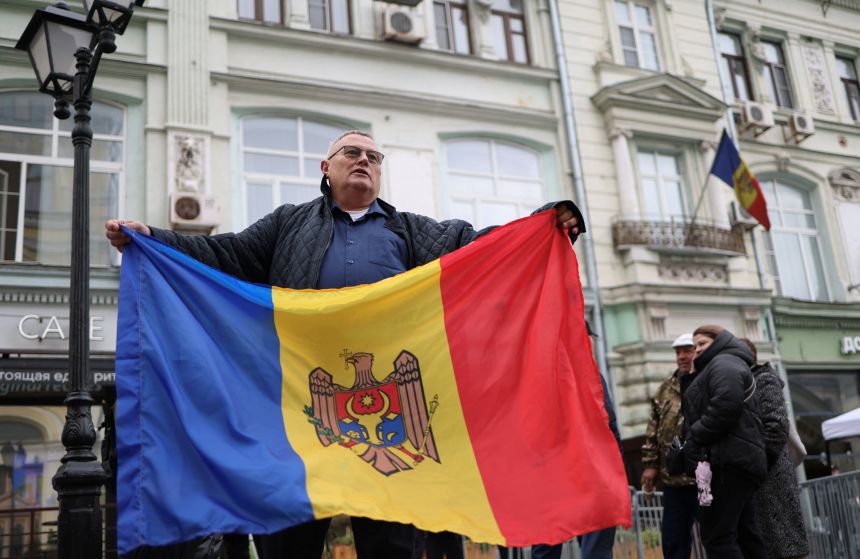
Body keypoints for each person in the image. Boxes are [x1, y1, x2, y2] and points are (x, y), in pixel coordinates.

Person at [105, 130, 584, 559]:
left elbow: (482, 248)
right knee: (290, 535)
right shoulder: (288, 224)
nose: (364, 161)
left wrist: (543, 224)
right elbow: (225, 253)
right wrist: (157, 239)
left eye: (374, 157)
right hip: (298, 408)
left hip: (389, 418)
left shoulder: (411, 230)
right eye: (351, 152)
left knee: (390, 539)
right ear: (325, 167)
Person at [531, 323, 621, 559]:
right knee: (594, 548)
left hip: (554, 473)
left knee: (547, 545)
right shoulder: (589, 374)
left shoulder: (540, 374)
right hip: (589, 473)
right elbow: (609, 427)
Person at [681, 325, 767, 559]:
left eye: (702, 344)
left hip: (726, 463)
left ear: (719, 342)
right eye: (694, 345)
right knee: (745, 535)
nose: (696, 350)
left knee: (717, 537)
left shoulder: (724, 363)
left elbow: (726, 405)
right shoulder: (716, 366)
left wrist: (694, 436)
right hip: (729, 462)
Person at [740, 339, 810, 559]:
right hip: (763, 469)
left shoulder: (764, 379)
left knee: (784, 539)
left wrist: (759, 464)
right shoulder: (743, 383)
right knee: (768, 538)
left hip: (773, 470)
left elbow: (776, 425)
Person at [640, 333, 698, 559]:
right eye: (678, 352)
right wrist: (650, 465)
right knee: (673, 541)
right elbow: (652, 431)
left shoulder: (708, 380)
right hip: (672, 479)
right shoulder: (664, 390)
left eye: (688, 350)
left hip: (703, 479)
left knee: (716, 539)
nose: (682, 357)